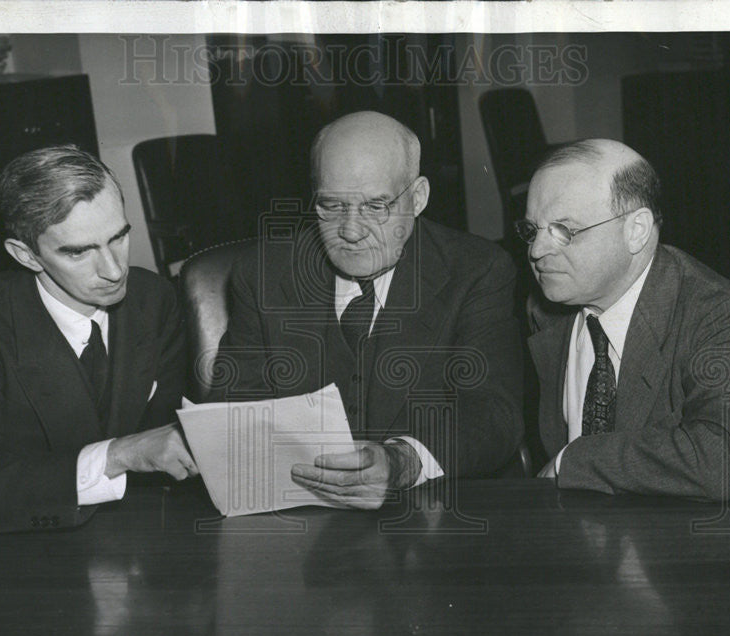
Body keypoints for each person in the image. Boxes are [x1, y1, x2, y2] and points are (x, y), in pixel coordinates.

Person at [210, 111, 525, 509]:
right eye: (332, 206)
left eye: (376, 206)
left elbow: (495, 414)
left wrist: (402, 461)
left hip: (437, 519)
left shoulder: (477, 270)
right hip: (302, 522)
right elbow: (231, 415)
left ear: (418, 197)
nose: (351, 232)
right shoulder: (264, 275)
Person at [0, 145, 197, 533]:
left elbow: (168, 445)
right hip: (28, 556)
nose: (114, 269)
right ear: (27, 255)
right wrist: (118, 455)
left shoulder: (154, 300)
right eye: (78, 253)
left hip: (142, 536)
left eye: (118, 237)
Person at [522, 139, 730, 498]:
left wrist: (572, 462)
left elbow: (721, 460)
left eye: (564, 230)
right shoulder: (545, 309)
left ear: (636, 230)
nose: (537, 250)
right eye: (532, 230)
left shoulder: (721, 315)